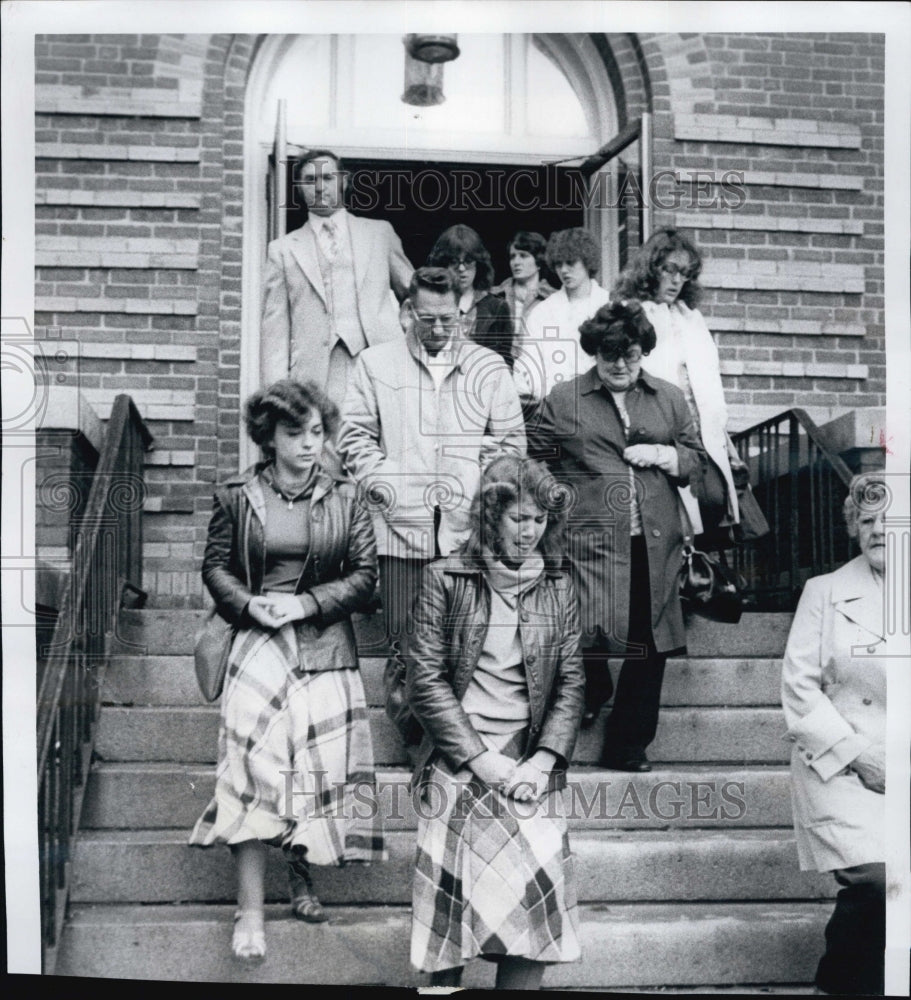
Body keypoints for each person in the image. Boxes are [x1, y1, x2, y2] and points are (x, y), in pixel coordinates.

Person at [189, 380, 384, 962]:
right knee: (251, 765)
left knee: (313, 771)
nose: (308, 443)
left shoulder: (347, 496)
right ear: (268, 437)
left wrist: (306, 604)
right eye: (294, 432)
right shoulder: (236, 495)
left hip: (323, 645)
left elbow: (364, 577)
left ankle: (302, 878)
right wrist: (250, 605)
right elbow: (215, 568)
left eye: (317, 432)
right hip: (256, 641)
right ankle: (250, 911)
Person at [404, 454, 585, 989]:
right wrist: (480, 760)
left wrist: (543, 762)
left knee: (534, 914)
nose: (530, 532)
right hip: (460, 759)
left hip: (530, 762)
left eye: (540, 520)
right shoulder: (443, 578)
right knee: (447, 924)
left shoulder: (558, 586)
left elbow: (571, 683)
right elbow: (425, 681)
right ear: (491, 517)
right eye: (518, 518)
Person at [529, 300, 706, 770]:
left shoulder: (668, 397)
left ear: (642, 351)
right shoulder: (565, 398)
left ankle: (628, 743)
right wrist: (554, 496)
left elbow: (696, 459)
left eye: (630, 355)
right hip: (587, 542)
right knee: (587, 629)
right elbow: (535, 457)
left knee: (649, 644)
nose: (621, 366)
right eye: (610, 356)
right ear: (594, 353)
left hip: (654, 542)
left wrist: (667, 456)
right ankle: (594, 688)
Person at [337, 266, 526, 648]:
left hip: (468, 535)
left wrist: (479, 482)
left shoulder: (490, 367)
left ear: (462, 313)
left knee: (464, 652)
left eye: (447, 318)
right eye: (427, 319)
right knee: (405, 652)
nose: (438, 328)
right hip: (399, 532)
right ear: (409, 311)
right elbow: (353, 437)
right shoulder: (375, 364)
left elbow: (512, 445)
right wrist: (386, 484)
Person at [780, 472, 889, 995]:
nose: (877, 530)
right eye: (866, 521)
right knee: (878, 881)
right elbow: (799, 690)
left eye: (890, 520)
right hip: (841, 768)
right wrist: (861, 758)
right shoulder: (824, 592)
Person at [613, 227, 739, 548]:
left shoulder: (691, 318)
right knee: (673, 529)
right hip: (656, 437)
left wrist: (723, 436)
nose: (676, 280)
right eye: (669, 269)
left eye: (684, 273)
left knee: (712, 511)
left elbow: (709, 382)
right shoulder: (631, 312)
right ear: (651, 268)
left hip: (702, 437)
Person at [260, 148, 414, 402]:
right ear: (299, 188)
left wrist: (411, 350)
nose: (320, 187)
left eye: (328, 178)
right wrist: (276, 395)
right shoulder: (283, 250)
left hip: (378, 365)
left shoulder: (379, 233)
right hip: (313, 377)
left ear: (344, 181)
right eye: (310, 180)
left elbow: (415, 295)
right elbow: (274, 333)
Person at [513, 227, 610, 407]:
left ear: (587, 260)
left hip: (602, 404)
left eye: (570, 262)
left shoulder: (609, 305)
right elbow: (529, 364)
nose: (564, 270)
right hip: (555, 406)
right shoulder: (542, 312)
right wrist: (550, 398)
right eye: (559, 264)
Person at [427, 224, 514, 368]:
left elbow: (504, 362)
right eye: (454, 262)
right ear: (442, 264)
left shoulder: (497, 307)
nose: (461, 268)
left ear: (478, 263)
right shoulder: (430, 304)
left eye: (468, 261)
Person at [490, 230, 556, 361]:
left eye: (523, 256)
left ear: (539, 261)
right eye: (512, 257)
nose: (516, 262)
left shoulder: (553, 299)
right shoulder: (495, 296)